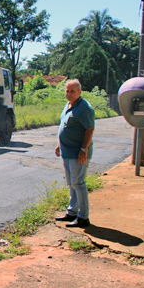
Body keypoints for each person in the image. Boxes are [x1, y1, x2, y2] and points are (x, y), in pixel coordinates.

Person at [54, 79, 95, 228]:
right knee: (71, 183)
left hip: (78, 153)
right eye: (67, 91)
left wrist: (84, 150)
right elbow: (64, 125)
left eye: (72, 91)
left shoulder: (84, 107)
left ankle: (83, 217)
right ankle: (72, 212)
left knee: (79, 183)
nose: (69, 94)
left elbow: (89, 129)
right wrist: (59, 145)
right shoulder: (68, 105)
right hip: (67, 151)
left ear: (79, 91)